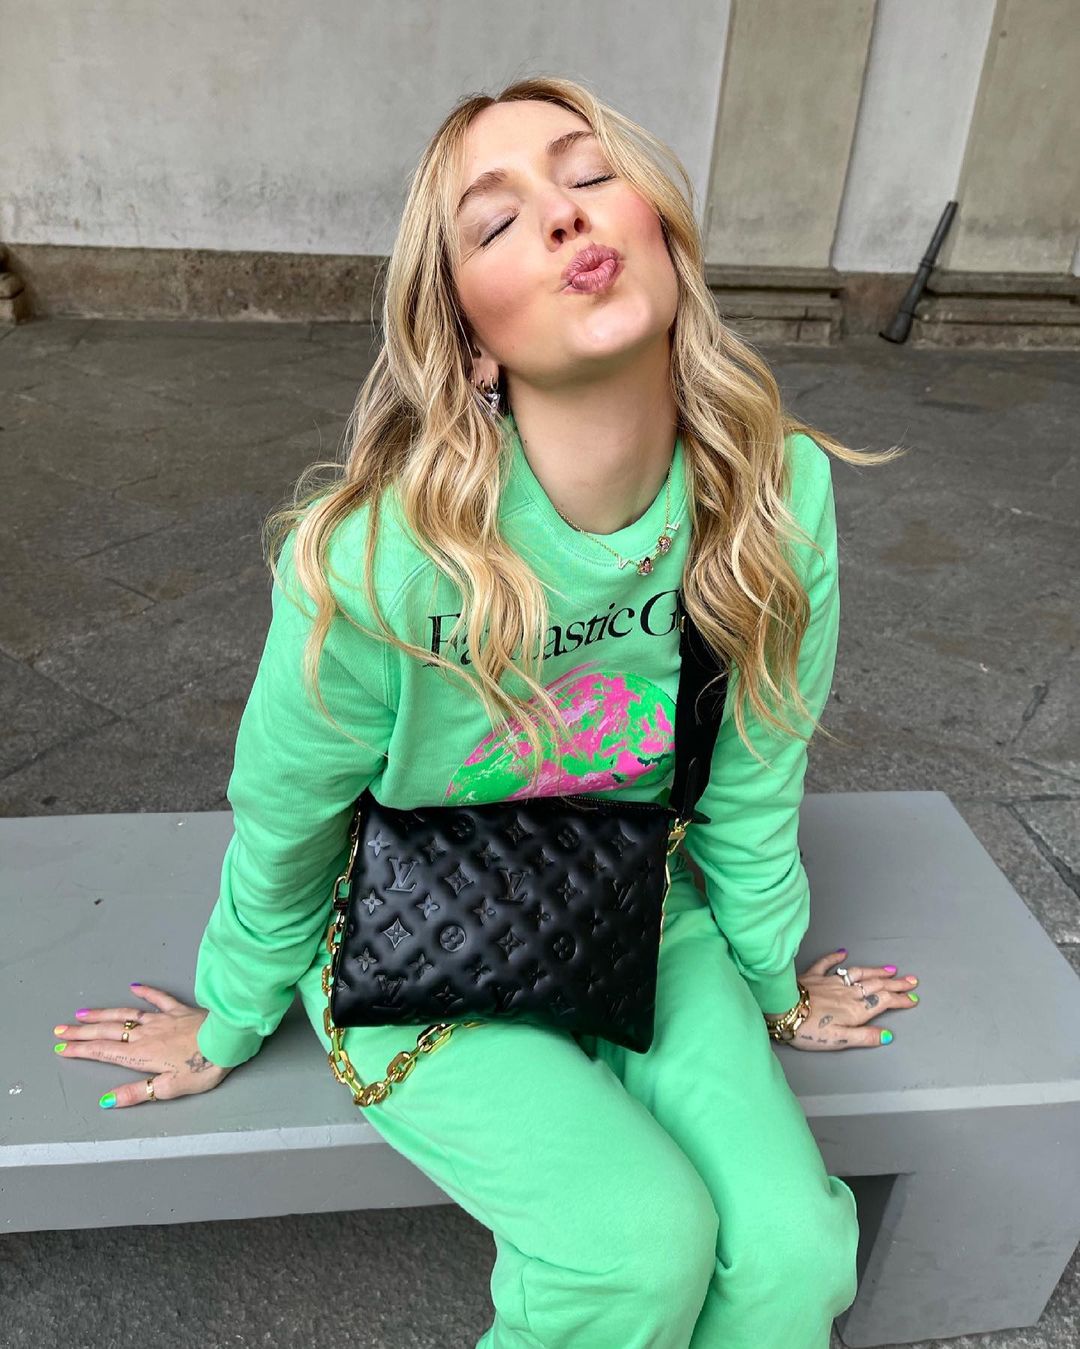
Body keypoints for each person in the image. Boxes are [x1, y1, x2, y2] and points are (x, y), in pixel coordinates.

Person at [53, 75, 917, 1348]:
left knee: (794, 1252)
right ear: (466, 336)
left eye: (589, 175)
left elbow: (753, 767)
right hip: (407, 932)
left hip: (641, 899)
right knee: (634, 1249)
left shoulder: (771, 495)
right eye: (497, 221)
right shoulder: (375, 558)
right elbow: (288, 805)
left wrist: (774, 975)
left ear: (664, 232)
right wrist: (230, 1011)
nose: (565, 216)